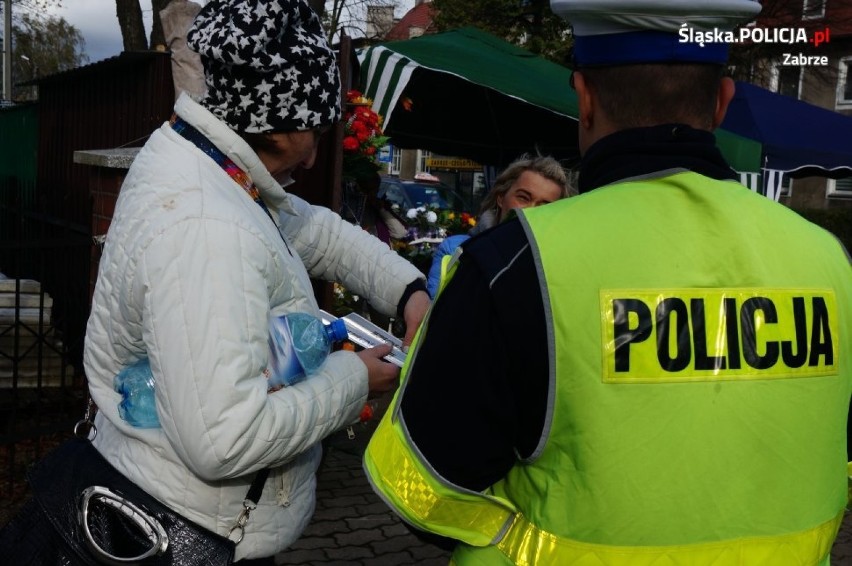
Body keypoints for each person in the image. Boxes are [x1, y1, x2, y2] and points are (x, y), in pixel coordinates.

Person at [364, 0, 852, 564]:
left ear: (585, 99)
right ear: (721, 104)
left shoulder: (516, 262)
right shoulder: (829, 261)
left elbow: (424, 485)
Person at [82, 0, 429, 564]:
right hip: (193, 533)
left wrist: (409, 289)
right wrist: (353, 379)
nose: (318, 151)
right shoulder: (205, 225)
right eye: (317, 127)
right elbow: (225, 439)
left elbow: (311, 229)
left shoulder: (209, 165)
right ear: (278, 117)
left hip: (188, 512)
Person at [425, 154, 574, 298]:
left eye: (544, 206)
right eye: (523, 197)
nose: (531, 211)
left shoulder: (557, 266)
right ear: (501, 198)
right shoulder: (455, 248)